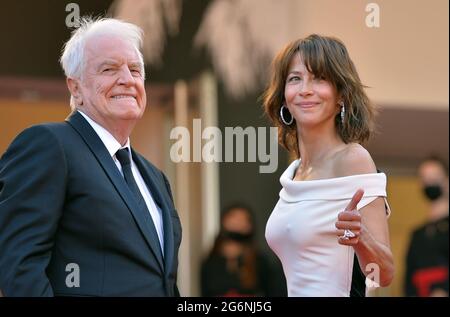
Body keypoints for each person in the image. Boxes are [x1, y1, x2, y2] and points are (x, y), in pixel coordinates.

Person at [0, 17, 182, 296]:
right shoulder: (49, 145)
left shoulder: (155, 177)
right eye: (109, 69)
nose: (127, 80)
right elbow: (17, 265)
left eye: (135, 70)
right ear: (76, 88)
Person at [263, 34, 394, 297]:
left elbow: (384, 274)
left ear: (341, 96)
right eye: (295, 79)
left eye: (319, 78)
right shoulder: (294, 173)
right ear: (284, 96)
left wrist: (362, 237)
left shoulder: (353, 159)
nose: (305, 89)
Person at [201, 203, 286, 296]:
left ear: (250, 226)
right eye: (233, 217)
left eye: (243, 219)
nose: (238, 222)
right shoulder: (211, 262)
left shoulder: (260, 262)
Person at [404, 156, 449, 297]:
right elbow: (409, 278)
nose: (429, 183)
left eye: (434, 178)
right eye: (424, 179)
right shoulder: (417, 235)